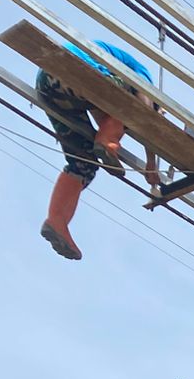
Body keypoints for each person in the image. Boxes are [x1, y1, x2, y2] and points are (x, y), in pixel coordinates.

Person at [36, 39, 160, 261]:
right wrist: (151, 164)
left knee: (84, 162)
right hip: (75, 67)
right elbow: (146, 113)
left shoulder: (110, 92)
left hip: (49, 84)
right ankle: (107, 141)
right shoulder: (143, 77)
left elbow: (103, 108)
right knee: (138, 106)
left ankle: (57, 220)